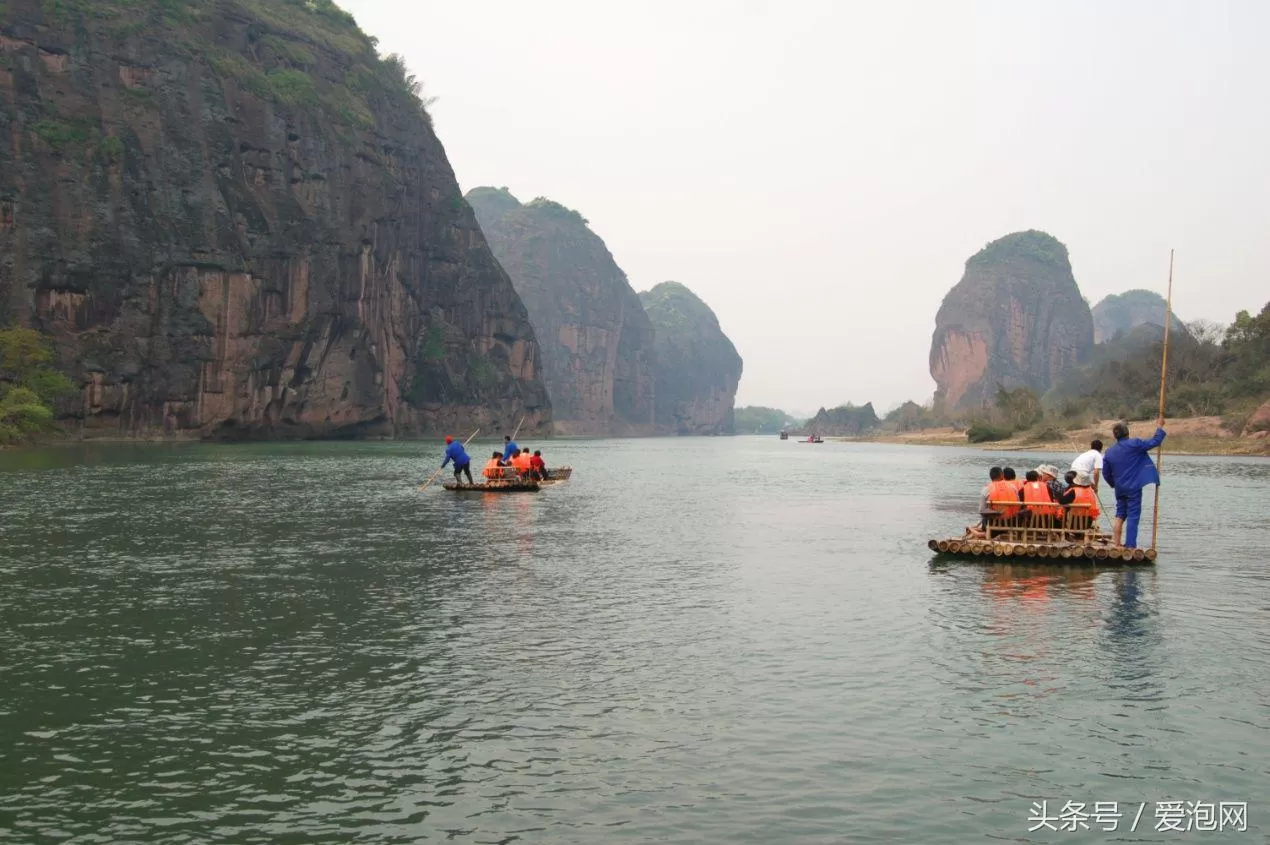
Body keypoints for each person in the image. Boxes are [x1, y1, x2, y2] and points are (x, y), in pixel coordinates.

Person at [1103, 418, 1166, 548]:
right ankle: (1130, 545)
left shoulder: (1109, 452)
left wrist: (1114, 484)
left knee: (1120, 514)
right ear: (1127, 433)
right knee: (1133, 515)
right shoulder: (1134, 444)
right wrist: (1159, 428)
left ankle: (1117, 544)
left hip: (1119, 488)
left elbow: (1106, 473)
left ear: (1115, 436)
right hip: (1133, 488)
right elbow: (1155, 441)